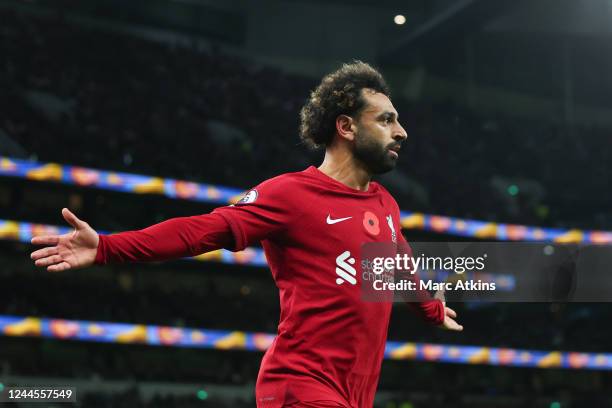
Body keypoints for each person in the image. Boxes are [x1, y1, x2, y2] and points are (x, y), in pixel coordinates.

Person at [30, 61, 462, 408]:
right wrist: (106, 247)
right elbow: (203, 230)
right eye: (386, 120)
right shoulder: (291, 194)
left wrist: (430, 309)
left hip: (353, 394)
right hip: (300, 386)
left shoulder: (385, 203)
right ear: (346, 127)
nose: (401, 131)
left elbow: (397, 260)